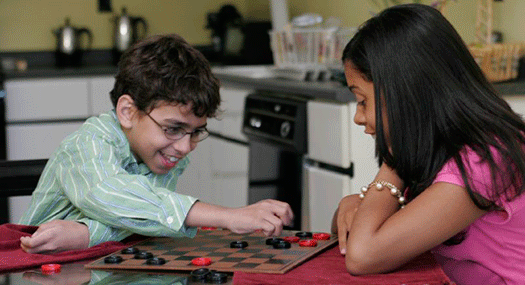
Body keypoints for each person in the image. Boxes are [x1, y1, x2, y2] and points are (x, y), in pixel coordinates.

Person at [19, 33, 293, 254]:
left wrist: (86, 234)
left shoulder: (163, 153)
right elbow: (115, 200)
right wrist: (228, 216)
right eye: (173, 128)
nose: (185, 148)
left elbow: (138, 219)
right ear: (127, 112)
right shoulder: (87, 144)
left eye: (196, 132)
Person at [332, 4, 525, 284]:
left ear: (405, 94)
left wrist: (393, 157)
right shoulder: (441, 150)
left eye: (363, 101)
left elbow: (363, 256)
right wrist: (355, 208)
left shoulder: (486, 158)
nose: (358, 118)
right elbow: (354, 238)